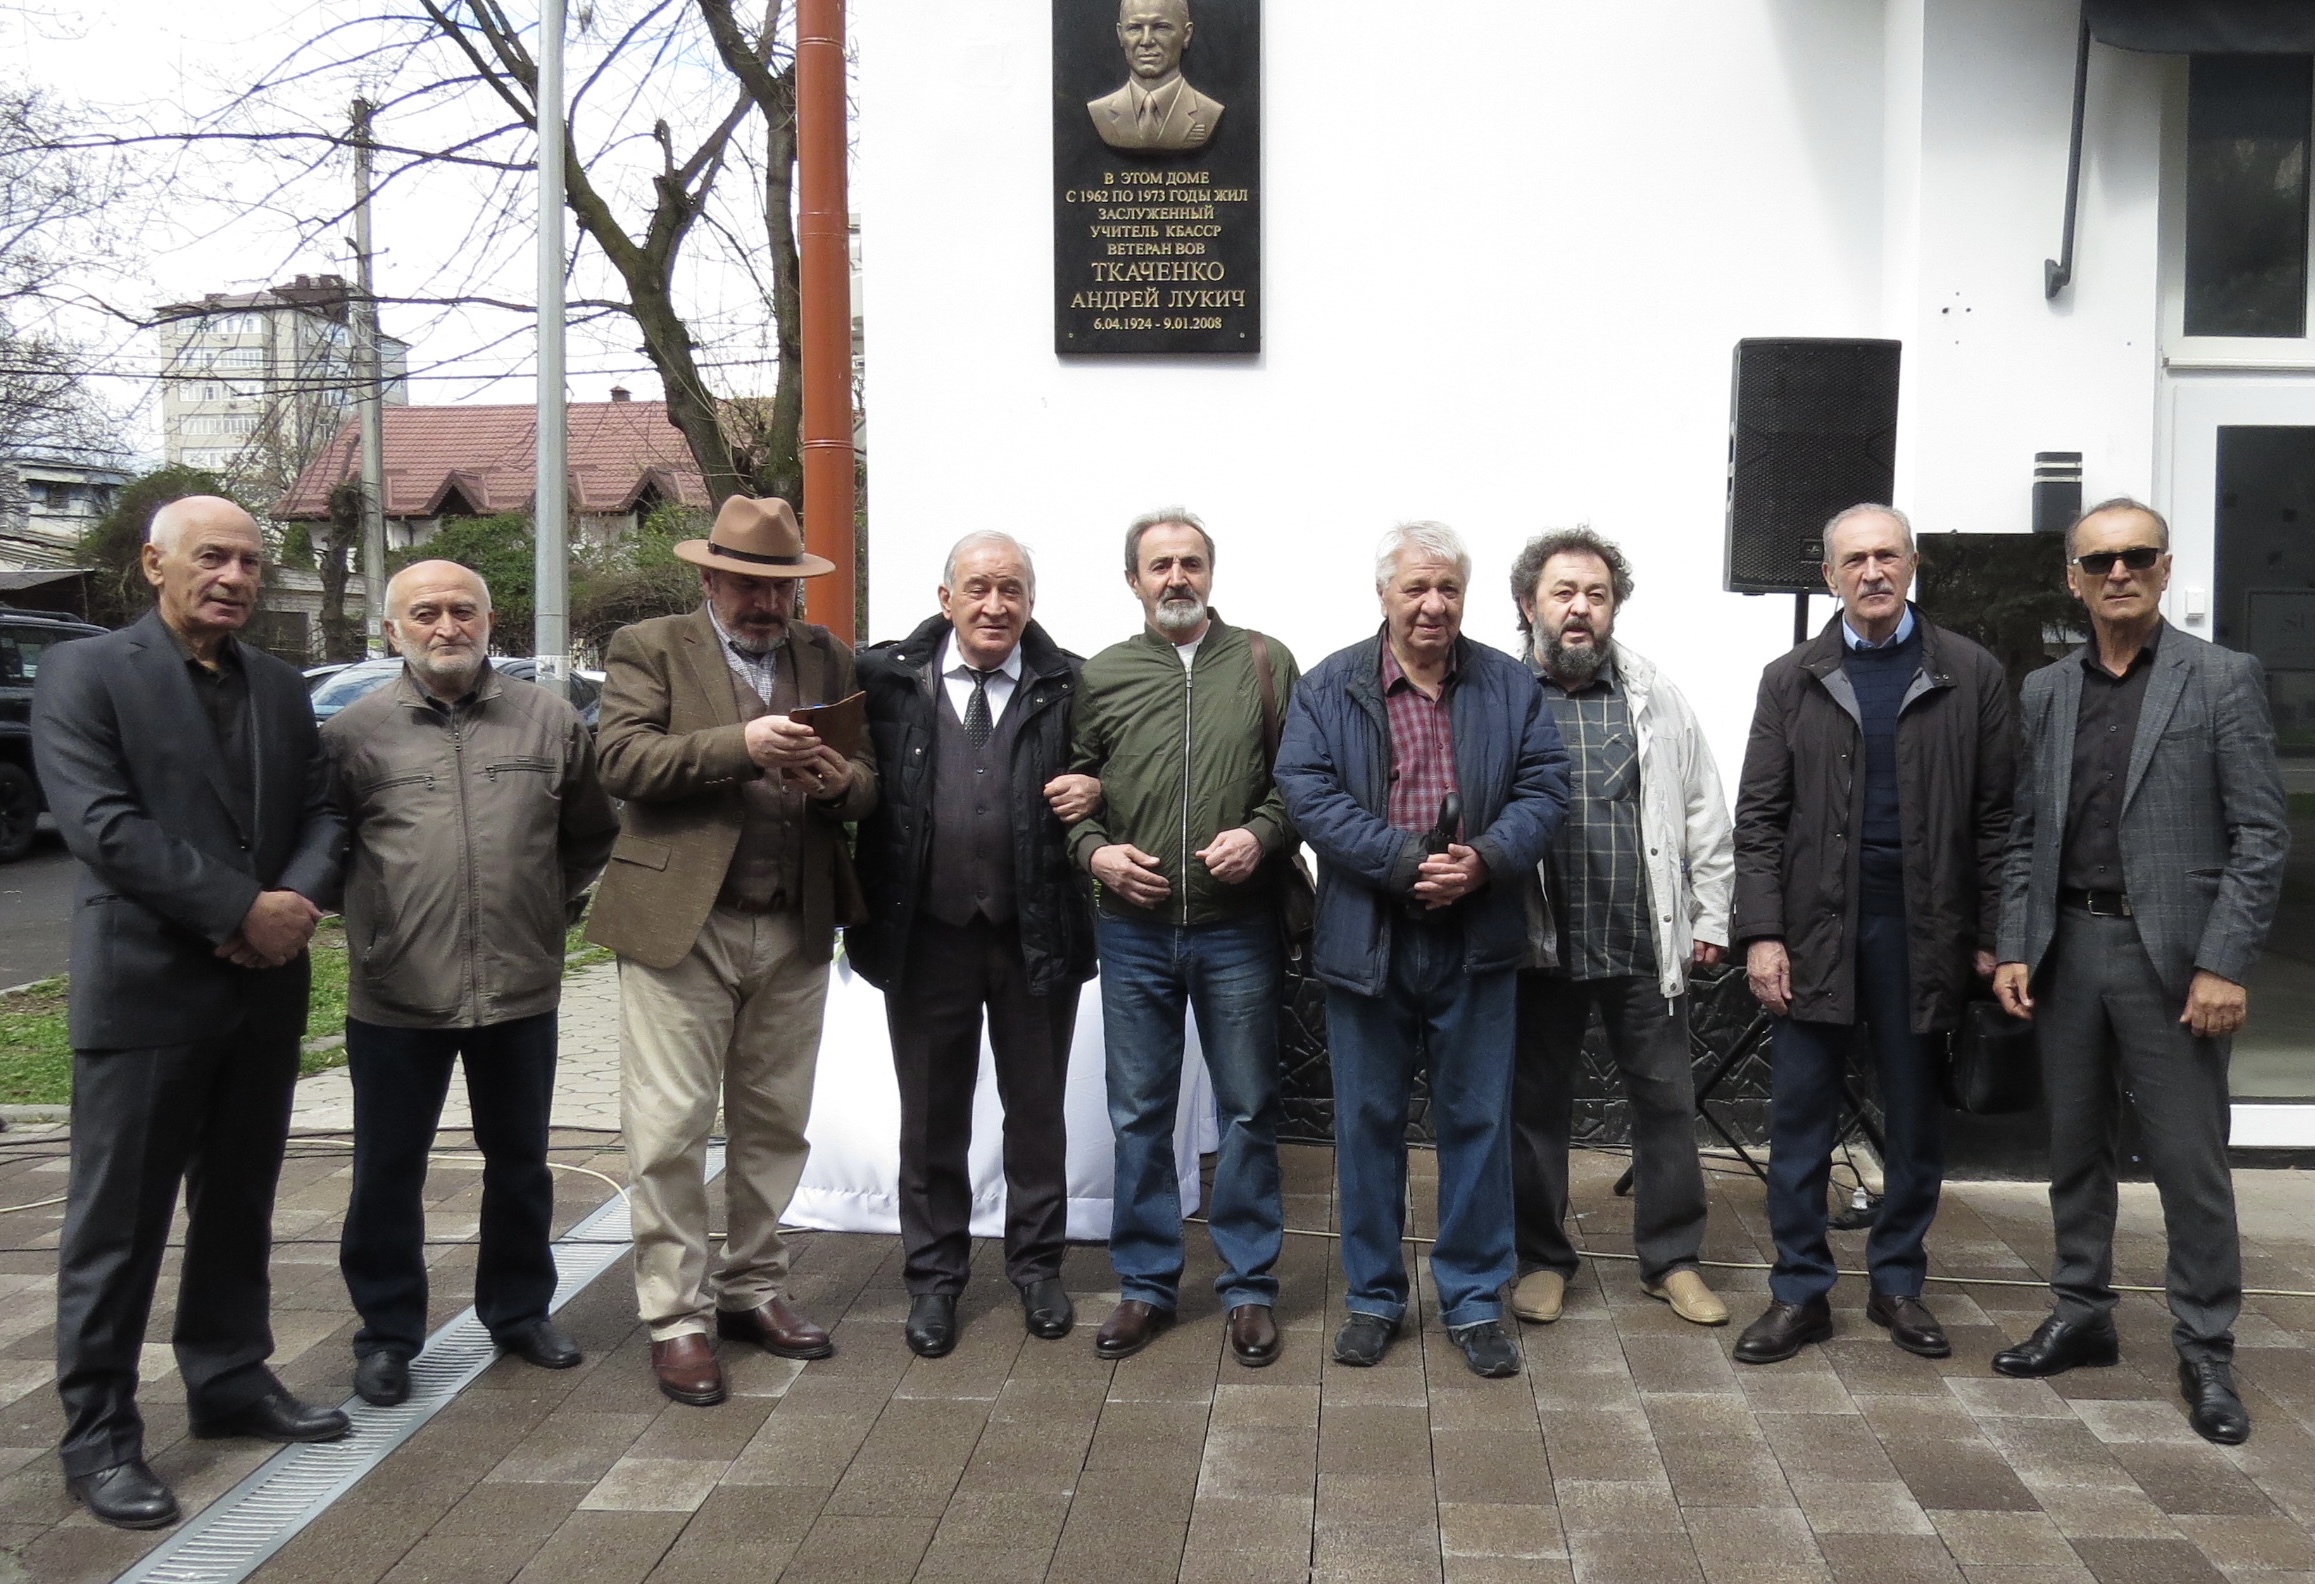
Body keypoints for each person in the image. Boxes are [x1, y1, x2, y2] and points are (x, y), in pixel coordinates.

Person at [31, 496, 347, 1529]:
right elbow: (100, 824)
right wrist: (238, 908)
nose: (236, 576)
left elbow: (321, 808)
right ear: (154, 563)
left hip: (261, 990)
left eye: (251, 561)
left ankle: (228, 1380)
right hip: (149, 989)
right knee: (117, 1226)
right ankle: (99, 1435)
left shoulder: (279, 684)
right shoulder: (86, 672)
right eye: (213, 557)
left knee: (240, 1201)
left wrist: (292, 905)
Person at [1990, 498, 2286, 1446]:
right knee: (2073, 1150)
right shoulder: (2045, 690)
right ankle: (2082, 1311)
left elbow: (2260, 835)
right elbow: (2025, 834)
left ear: (2163, 569)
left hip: (2174, 966)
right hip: (2067, 950)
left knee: (2188, 1164)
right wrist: (2010, 944)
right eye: (2098, 560)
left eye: (2136, 557)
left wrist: (2221, 963)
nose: (2117, 573)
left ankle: (2204, 1347)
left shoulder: (2221, 678)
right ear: (2072, 579)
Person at [586, 495, 878, 1407]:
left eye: (779, 588)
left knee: (774, 1122)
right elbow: (622, 763)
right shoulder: (650, 647)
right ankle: (676, 1318)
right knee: (670, 1127)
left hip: (794, 921)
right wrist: (739, 744)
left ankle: (753, 1289)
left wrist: (839, 783)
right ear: (708, 578)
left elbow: (865, 785)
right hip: (684, 924)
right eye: (748, 585)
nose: (766, 604)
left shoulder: (824, 655)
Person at [1274, 522, 1569, 1378]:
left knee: (1476, 1123)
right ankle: (1373, 1297)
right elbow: (1307, 795)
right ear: (1384, 597)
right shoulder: (1329, 686)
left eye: (1446, 589)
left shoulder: (1509, 686)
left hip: (1477, 939)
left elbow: (1544, 788)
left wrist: (1483, 862)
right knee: (1366, 1126)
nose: (1432, 605)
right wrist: (1405, 863)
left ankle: (1473, 1300)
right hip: (1367, 939)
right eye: (1415, 589)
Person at [324, 560, 620, 1407]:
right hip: (395, 995)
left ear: (492, 623)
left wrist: (541, 907)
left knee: (520, 1162)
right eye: (424, 613)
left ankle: (520, 1311)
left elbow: (589, 833)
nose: (445, 626)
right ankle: (386, 1335)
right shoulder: (353, 736)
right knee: (386, 1170)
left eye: (463, 609)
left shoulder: (549, 720)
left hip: (520, 987)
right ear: (391, 632)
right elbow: (328, 851)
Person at [1730, 504, 2013, 1366]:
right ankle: (1799, 1293)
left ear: (1913, 563)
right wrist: (1762, 934)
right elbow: (1759, 820)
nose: (1872, 572)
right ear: (1828, 576)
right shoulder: (1791, 678)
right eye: (1853, 560)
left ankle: (1897, 1283)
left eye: (1887, 555)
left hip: (1922, 932)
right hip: (1815, 930)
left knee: (1914, 1120)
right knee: (1800, 1118)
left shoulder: (1971, 673)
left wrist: (1994, 934)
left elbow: (2002, 821)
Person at [849, 532, 1102, 1357]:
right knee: (931, 1120)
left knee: (1035, 1115)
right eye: (979, 588)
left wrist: (1099, 784)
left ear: (1031, 600)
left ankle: (1036, 1270)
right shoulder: (885, 681)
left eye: (1012, 589)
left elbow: (1116, 771)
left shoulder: (1072, 683)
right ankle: (933, 1280)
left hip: (1035, 932)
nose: (996, 605)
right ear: (944, 597)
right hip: (927, 936)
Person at [1067, 507, 1297, 1365]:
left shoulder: (1266, 663)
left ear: (1211, 573)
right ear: (1132, 579)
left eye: (1190, 563)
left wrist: (1261, 836)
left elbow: (1300, 783)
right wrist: (1096, 854)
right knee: (1138, 1115)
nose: (1176, 578)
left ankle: (1246, 1288)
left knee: (1246, 1110)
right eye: (1158, 565)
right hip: (1132, 930)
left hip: (1237, 931)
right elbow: (1067, 794)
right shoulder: (1103, 676)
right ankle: (1145, 1286)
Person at [1505, 528, 1733, 1330]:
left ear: (1612, 608)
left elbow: (1702, 806)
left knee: (1666, 1103)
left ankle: (1670, 1260)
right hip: (1540, 944)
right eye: (1563, 593)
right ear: (1528, 604)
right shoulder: (1502, 693)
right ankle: (1540, 1259)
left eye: (1595, 596)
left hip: (1642, 940)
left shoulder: (1652, 693)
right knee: (1533, 1109)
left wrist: (1710, 912)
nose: (1579, 610)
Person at [1087, 0, 1226, 152]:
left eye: (1161, 27)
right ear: (1120, 35)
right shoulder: (1100, 111)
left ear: (1186, 35)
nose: (1146, 41)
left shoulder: (1208, 112)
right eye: (1135, 28)